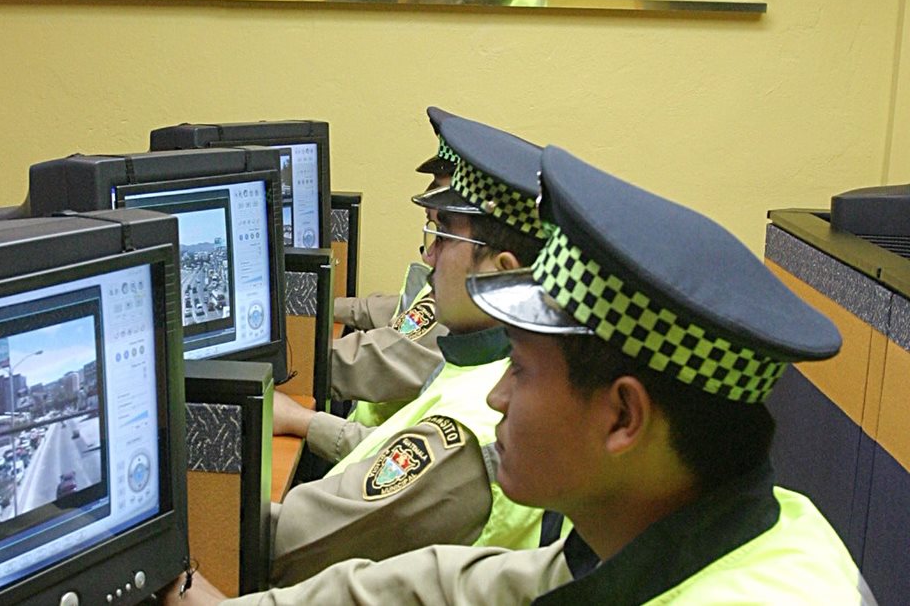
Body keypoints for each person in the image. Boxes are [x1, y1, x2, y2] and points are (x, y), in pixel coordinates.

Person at [165, 144, 873, 605]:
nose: (499, 391)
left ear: (623, 417)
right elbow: (452, 586)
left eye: (525, 371)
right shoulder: (714, 522)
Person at [259, 117, 555, 585]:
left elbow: (286, 546)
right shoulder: (486, 360)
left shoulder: (470, 430)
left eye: (445, 237)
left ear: (501, 275)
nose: (428, 256)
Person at [330, 105, 458, 425]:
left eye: (442, 232)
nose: (429, 256)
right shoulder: (456, 285)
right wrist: (324, 309)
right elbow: (406, 312)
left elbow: (377, 362)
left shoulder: (458, 300)